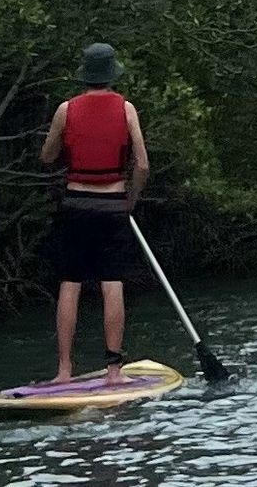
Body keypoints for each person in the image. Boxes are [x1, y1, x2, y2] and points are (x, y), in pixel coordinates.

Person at [40, 43, 149, 385]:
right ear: (112, 74)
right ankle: (114, 369)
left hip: (76, 205)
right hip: (113, 204)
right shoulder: (127, 109)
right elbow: (142, 164)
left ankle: (64, 370)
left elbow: (48, 156)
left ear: (85, 75)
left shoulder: (65, 110)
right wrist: (130, 199)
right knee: (111, 283)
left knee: (70, 284)